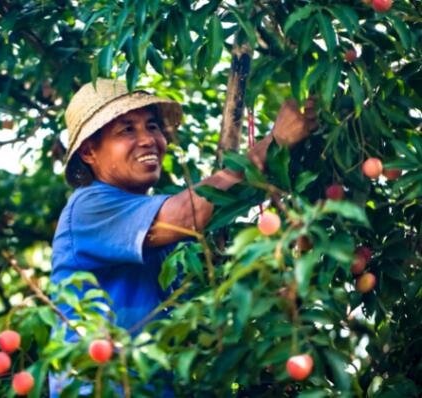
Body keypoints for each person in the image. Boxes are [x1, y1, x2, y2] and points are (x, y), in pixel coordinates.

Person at [49, 79, 317, 396]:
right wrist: (273, 143)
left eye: (152, 126)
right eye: (127, 130)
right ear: (89, 151)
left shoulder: (162, 226)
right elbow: (191, 213)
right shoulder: (88, 207)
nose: (149, 139)